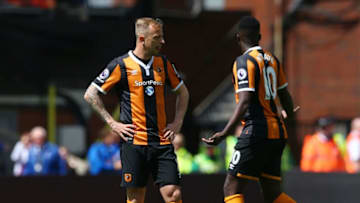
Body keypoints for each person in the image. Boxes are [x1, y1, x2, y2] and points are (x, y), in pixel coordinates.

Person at [84, 17, 189, 203]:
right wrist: (112, 124)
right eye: (157, 37)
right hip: (134, 143)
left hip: (162, 142)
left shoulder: (163, 64)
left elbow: (183, 92)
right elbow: (90, 94)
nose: (162, 42)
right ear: (142, 38)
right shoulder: (120, 65)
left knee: (174, 194)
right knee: (135, 200)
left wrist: (178, 121)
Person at [202, 16, 296, 203]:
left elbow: (244, 101)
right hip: (277, 133)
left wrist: (225, 133)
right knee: (273, 194)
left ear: (238, 37)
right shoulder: (273, 60)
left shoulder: (244, 62)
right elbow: (285, 96)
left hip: (256, 132)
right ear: (259, 36)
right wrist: (289, 113)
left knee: (231, 187)